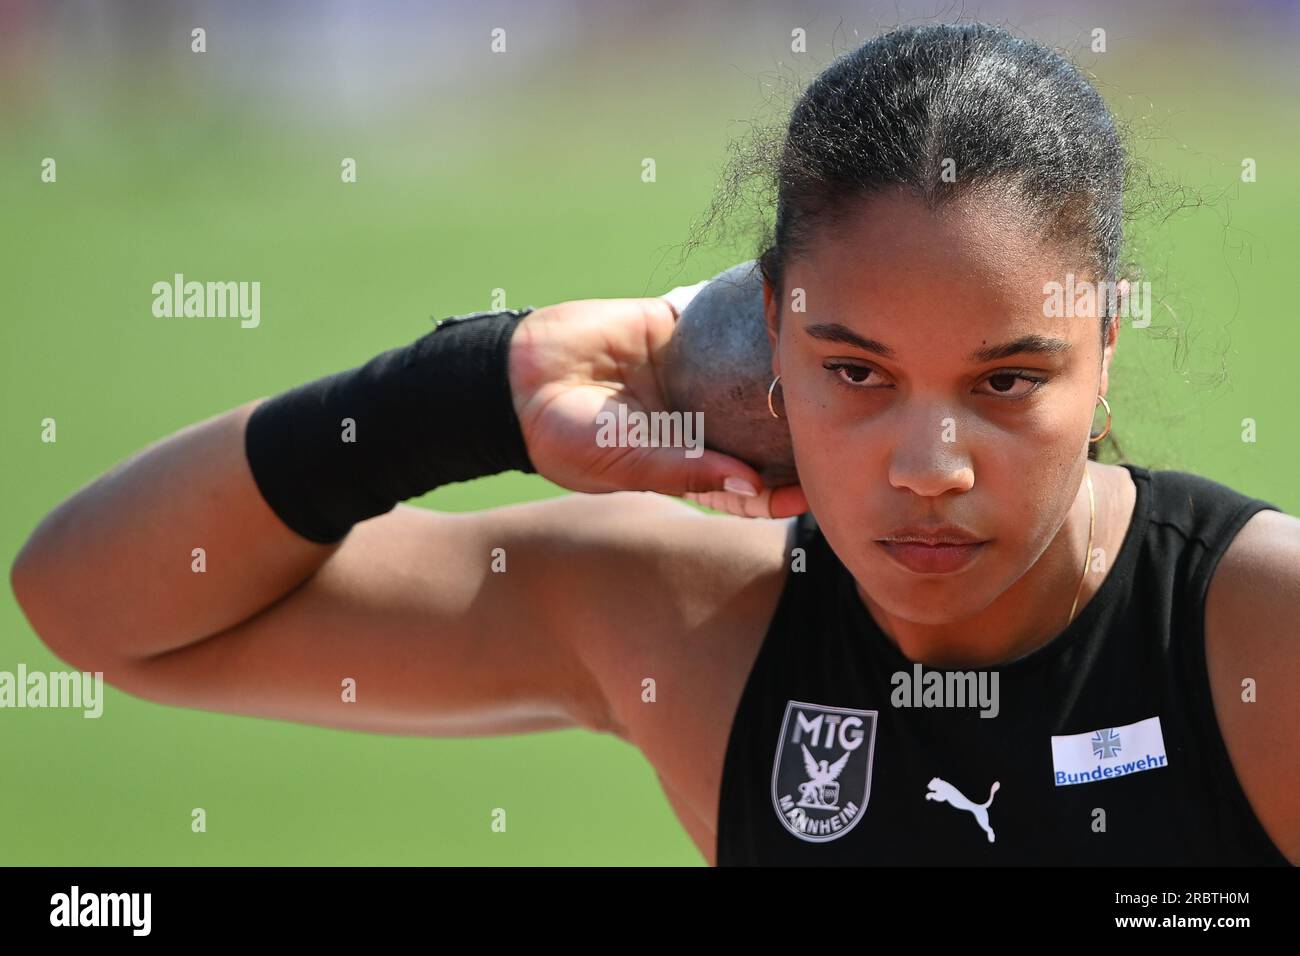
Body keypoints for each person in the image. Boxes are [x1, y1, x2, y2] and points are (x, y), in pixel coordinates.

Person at [10, 22, 1297, 866]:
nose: (928, 465)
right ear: (769, 343)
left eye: (1009, 379)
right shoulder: (695, 627)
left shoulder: (1254, 635)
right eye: (855, 371)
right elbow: (94, 605)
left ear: (1107, 344)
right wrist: (478, 387)